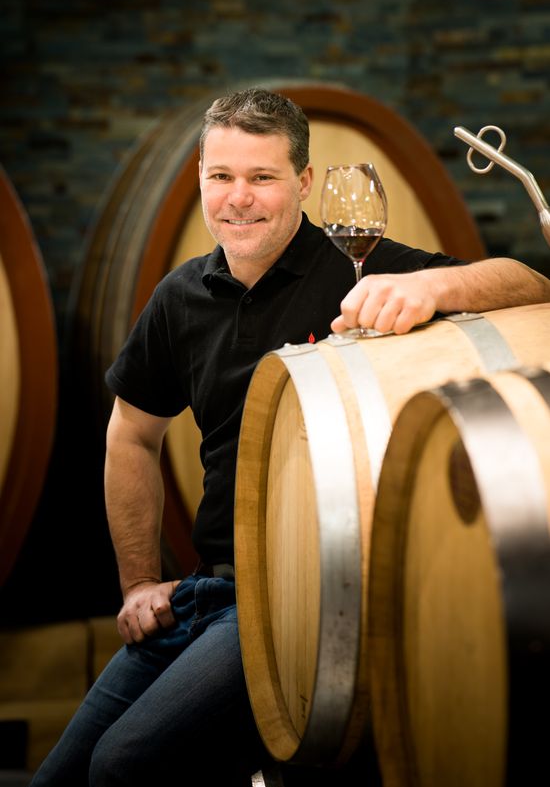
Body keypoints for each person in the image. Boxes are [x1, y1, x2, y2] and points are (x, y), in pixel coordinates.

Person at [30, 88, 550, 787]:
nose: (238, 198)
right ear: (200, 178)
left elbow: (530, 283)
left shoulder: (355, 264)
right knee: (59, 778)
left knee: (123, 765)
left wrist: (438, 289)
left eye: (262, 177)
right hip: (201, 593)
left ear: (304, 182)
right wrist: (139, 580)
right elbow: (131, 434)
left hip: (295, 601)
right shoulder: (180, 297)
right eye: (221, 175)